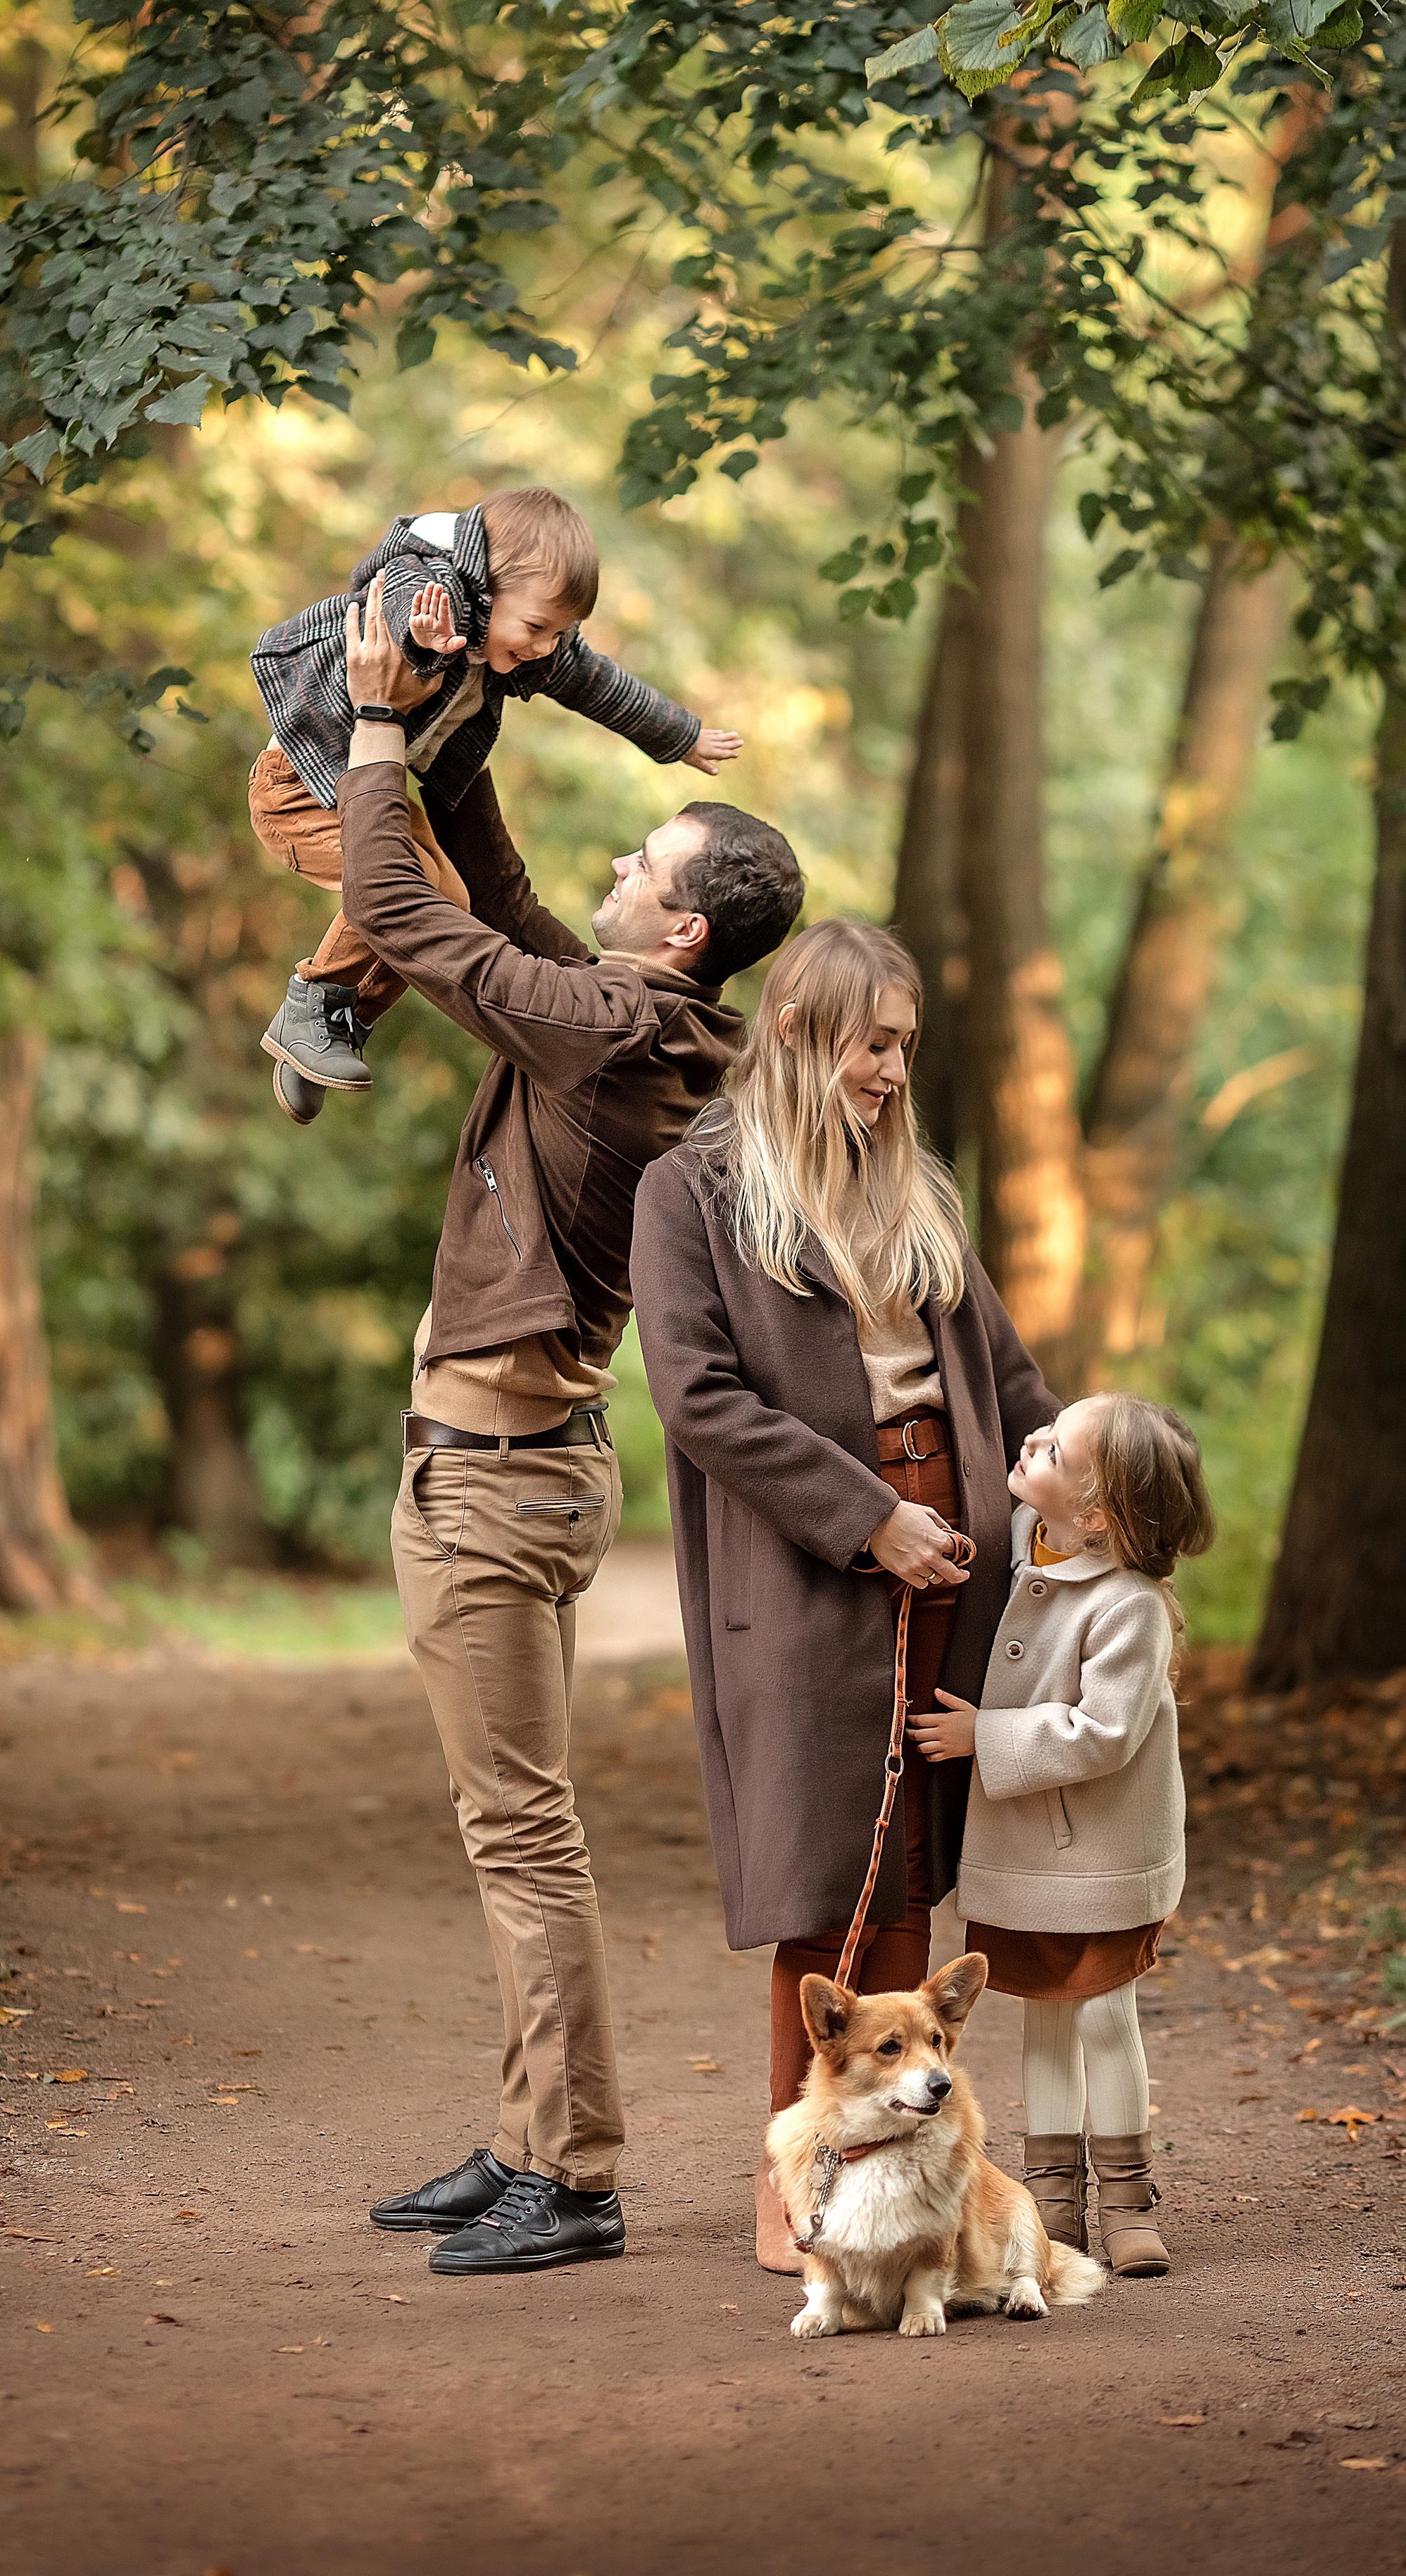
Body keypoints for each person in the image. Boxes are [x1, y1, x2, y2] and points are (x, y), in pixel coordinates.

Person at [337, 579, 805, 2275]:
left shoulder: (608, 1036)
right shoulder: (643, 1020)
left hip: (494, 1480)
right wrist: (477, 718)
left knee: (520, 1832)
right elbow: (506, 885)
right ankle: (532, 2135)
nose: (611, 876)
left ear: (680, 932)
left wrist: (380, 723)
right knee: (513, 1825)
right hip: (501, 1465)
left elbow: (400, 906)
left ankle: (578, 2173)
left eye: (643, 871)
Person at [628, 915, 1060, 2276]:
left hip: (957, 1553)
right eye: (875, 1044)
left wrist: (1086, 1498)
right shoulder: (690, 1191)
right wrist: (870, 1521)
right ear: (803, 1031)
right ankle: (800, 2177)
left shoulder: (914, 1189)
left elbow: (1010, 1375)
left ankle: (908, 2187)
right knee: (824, 1881)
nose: (891, 1071)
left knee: (910, 1884)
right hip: (812, 1562)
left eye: (906, 1048)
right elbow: (697, 1397)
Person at [246, 488, 741, 1122]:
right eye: (536, 627)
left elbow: (598, 683)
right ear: (488, 586)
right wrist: (424, 642)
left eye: (558, 632)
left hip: (374, 790)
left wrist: (681, 735)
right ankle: (312, 1009)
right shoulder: (434, 588)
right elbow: (392, 608)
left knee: (451, 899)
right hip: (298, 789)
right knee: (430, 897)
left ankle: (326, 1025)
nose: (543, 646)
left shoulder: (525, 639)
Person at [908, 1393, 1214, 2275]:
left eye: (1053, 1447)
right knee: (1043, 2022)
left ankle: (1126, 2202)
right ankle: (1053, 2207)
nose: (1030, 1441)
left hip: (1100, 1856)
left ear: (1094, 1513)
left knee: (1105, 2018)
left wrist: (985, 1738)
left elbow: (1105, 1733)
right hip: (1024, 1856)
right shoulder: (1016, 1542)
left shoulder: (1130, 1607)